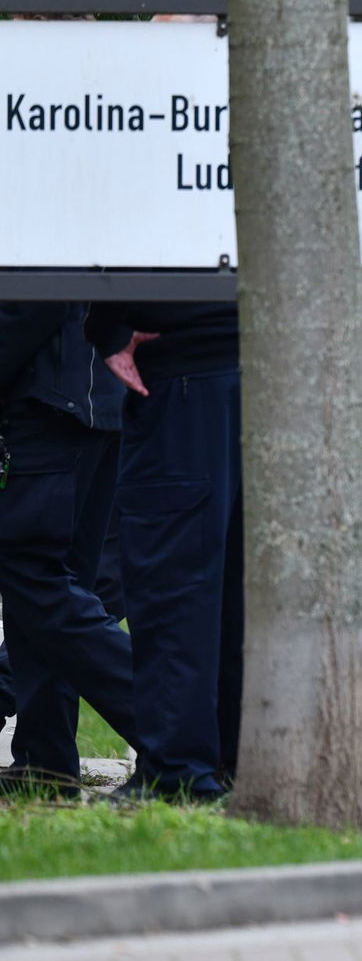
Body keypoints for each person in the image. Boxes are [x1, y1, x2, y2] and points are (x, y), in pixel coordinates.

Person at [84, 299, 243, 802]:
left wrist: (107, 325)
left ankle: (178, 773)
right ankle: (228, 761)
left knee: (174, 587)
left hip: (181, 372)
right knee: (234, 592)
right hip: (255, 369)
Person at [0, 304, 138, 798]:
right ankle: (45, 764)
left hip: (50, 400)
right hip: (90, 399)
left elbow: (29, 300)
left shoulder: (34, 228)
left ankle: (176, 737)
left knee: (37, 583)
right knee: (51, 591)